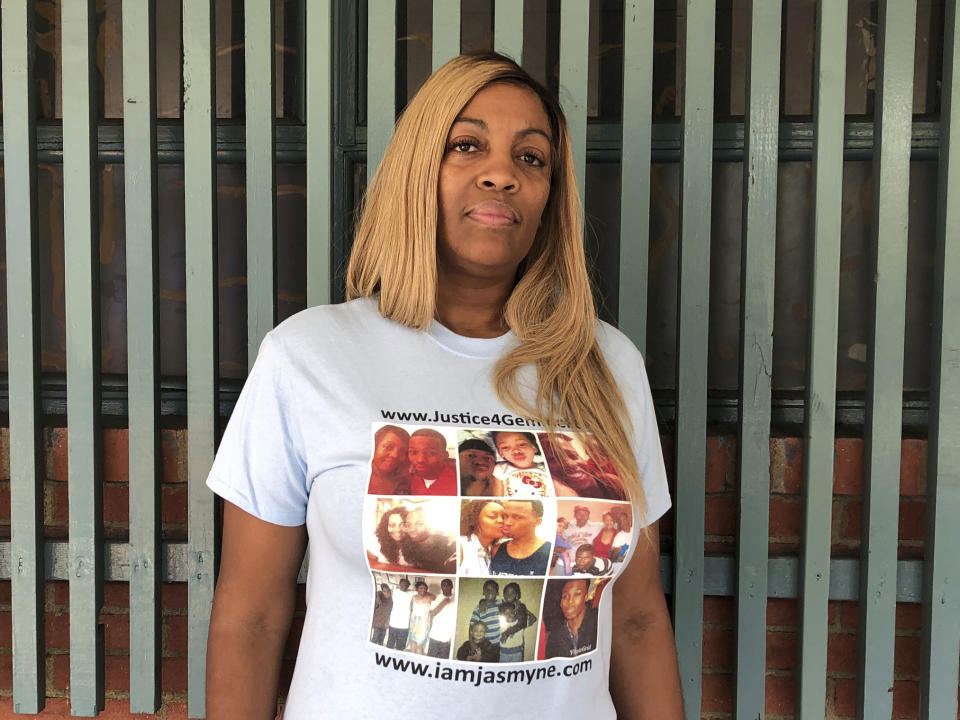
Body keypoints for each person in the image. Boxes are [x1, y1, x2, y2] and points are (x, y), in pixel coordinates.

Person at [205, 52, 681, 719]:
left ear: (550, 197)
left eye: (532, 158)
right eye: (467, 145)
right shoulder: (309, 356)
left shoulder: (607, 364)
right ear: (416, 172)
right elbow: (250, 616)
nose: (501, 174)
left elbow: (635, 622)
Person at [539, 433, 627, 501]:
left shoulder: (612, 482)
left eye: (573, 455)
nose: (570, 464)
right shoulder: (553, 490)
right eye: (553, 460)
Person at [489, 500, 552, 576]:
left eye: (517, 517)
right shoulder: (496, 550)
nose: (507, 522)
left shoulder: (549, 552)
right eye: (505, 516)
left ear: (538, 521)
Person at [544, 579, 599, 659]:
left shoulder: (598, 622)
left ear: (585, 597)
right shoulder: (554, 639)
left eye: (577, 594)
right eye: (565, 596)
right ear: (560, 603)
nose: (570, 601)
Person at [491, 431, 551, 497]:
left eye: (522, 444)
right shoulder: (501, 469)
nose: (515, 450)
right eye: (505, 447)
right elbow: (497, 499)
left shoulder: (548, 469)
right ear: (501, 453)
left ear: (534, 447)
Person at [400, 506, 457, 574]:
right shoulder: (407, 547)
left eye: (419, 524)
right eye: (408, 525)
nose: (412, 529)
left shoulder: (448, 544)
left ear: (430, 525)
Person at [458, 499, 505, 575]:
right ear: (474, 520)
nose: (501, 521)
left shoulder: (497, 549)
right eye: (492, 516)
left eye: (503, 517)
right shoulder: (460, 546)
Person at [408, 428, 458, 495]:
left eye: (430, 453)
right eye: (414, 452)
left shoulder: (459, 481)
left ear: (445, 455)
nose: (420, 460)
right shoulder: (407, 480)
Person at [497, 582, 537, 663]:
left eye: (512, 593)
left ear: (517, 595)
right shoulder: (501, 609)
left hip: (517, 651)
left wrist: (525, 611)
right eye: (506, 593)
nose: (508, 595)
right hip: (504, 652)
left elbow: (524, 622)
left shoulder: (521, 608)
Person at [368, 425, 411, 494]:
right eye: (389, 447)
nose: (395, 455)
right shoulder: (359, 477)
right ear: (374, 446)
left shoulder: (403, 484)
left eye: (402, 451)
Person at [469, 579, 502, 658]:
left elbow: (512, 604)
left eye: (493, 589)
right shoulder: (478, 608)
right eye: (487, 589)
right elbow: (472, 626)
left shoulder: (501, 603)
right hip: (485, 645)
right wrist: (472, 643)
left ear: (497, 593)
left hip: (499, 645)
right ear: (483, 592)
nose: (489, 591)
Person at [427, 579, 456, 658]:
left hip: (447, 637)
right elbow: (433, 613)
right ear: (441, 587)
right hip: (435, 635)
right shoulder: (437, 598)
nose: (446, 587)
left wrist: (452, 636)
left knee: (443, 660)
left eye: (448, 585)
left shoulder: (456, 598)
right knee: (431, 658)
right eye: (444, 585)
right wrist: (443, 603)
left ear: (452, 586)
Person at [406, 581, 437, 654]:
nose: (423, 590)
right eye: (421, 588)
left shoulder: (429, 598)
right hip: (413, 623)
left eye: (425, 588)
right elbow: (411, 609)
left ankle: (418, 660)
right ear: (417, 589)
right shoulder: (413, 598)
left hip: (424, 624)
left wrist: (425, 592)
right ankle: (412, 659)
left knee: (420, 645)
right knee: (413, 642)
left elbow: (435, 597)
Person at [386, 578, 416, 650]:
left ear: (409, 586)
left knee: (400, 647)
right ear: (399, 584)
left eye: (406, 585)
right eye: (402, 584)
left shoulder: (411, 593)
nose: (404, 586)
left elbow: (423, 592)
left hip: (404, 625)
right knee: (390, 645)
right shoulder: (394, 592)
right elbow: (384, 591)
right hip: (393, 623)